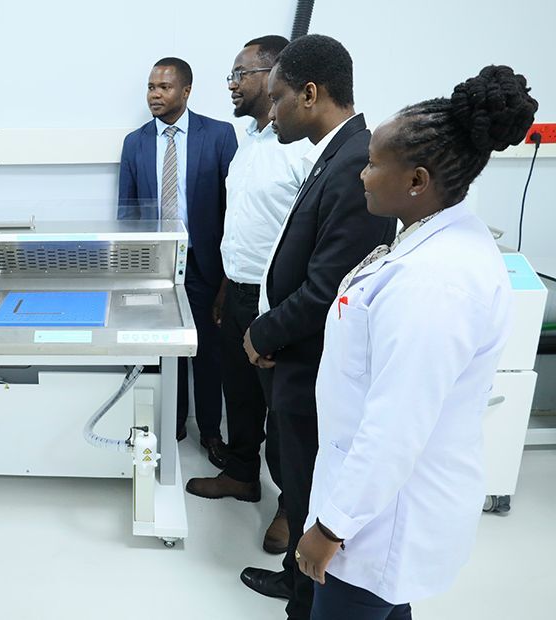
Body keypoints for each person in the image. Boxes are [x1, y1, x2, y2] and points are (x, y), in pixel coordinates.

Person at [296, 65, 536, 620]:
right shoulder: (432, 242)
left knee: (362, 602)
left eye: (375, 163)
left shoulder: (434, 283)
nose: (363, 174)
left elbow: (395, 425)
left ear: (417, 181)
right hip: (373, 503)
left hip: (375, 522)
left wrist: (331, 527)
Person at [237, 35, 396, 620]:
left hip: (312, 365)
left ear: (310, 93)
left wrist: (264, 333)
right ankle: (294, 583)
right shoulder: (336, 153)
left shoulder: (357, 163)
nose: (270, 111)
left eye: (277, 99)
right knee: (299, 486)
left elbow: (328, 288)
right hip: (298, 354)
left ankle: (304, 606)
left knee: (309, 492)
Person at [184, 35, 310, 557]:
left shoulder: (302, 150)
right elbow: (241, 223)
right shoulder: (250, 142)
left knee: (280, 407)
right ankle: (240, 474)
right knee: (238, 389)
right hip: (234, 289)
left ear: (274, 75)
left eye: (241, 74)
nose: (232, 84)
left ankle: (288, 503)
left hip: (276, 299)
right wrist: (222, 286)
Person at [117, 57, 238, 465]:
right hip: (157, 267)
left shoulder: (219, 136)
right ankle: (174, 423)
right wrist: (131, 271)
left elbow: (234, 208)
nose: (154, 94)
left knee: (207, 352)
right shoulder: (135, 143)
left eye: (164, 87)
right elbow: (128, 212)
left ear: (186, 91)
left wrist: (227, 275)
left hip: (206, 264)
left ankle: (209, 431)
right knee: (167, 349)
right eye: (151, 86)